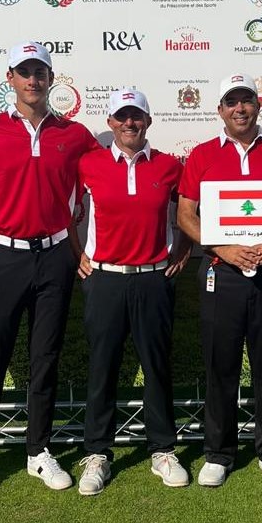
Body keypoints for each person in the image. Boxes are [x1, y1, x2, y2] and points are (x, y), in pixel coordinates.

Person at [0, 41, 98, 507]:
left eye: (40, 73)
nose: (33, 80)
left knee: (45, 358)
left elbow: (99, 183)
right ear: (10, 78)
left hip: (55, 256)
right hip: (4, 255)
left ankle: (38, 451)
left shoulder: (74, 134)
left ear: (51, 79)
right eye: (24, 72)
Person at [177, 73, 262, 487]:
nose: (240, 109)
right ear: (220, 110)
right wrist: (221, 248)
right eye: (232, 102)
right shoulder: (202, 155)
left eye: (247, 101)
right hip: (221, 273)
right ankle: (219, 452)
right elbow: (185, 215)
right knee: (220, 365)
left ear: (258, 106)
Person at [71, 89, 192, 495]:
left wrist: (184, 249)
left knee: (157, 366)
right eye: (122, 116)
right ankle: (97, 453)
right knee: (102, 367)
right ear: (110, 123)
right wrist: (76, 253)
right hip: (105, 278)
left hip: (153, 279)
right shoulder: (88, 164)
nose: (129, 123)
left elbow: (190, 212)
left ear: (148, 120)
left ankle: (163, 450)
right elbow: (66, 211)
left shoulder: (169, 166)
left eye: (136, 116)